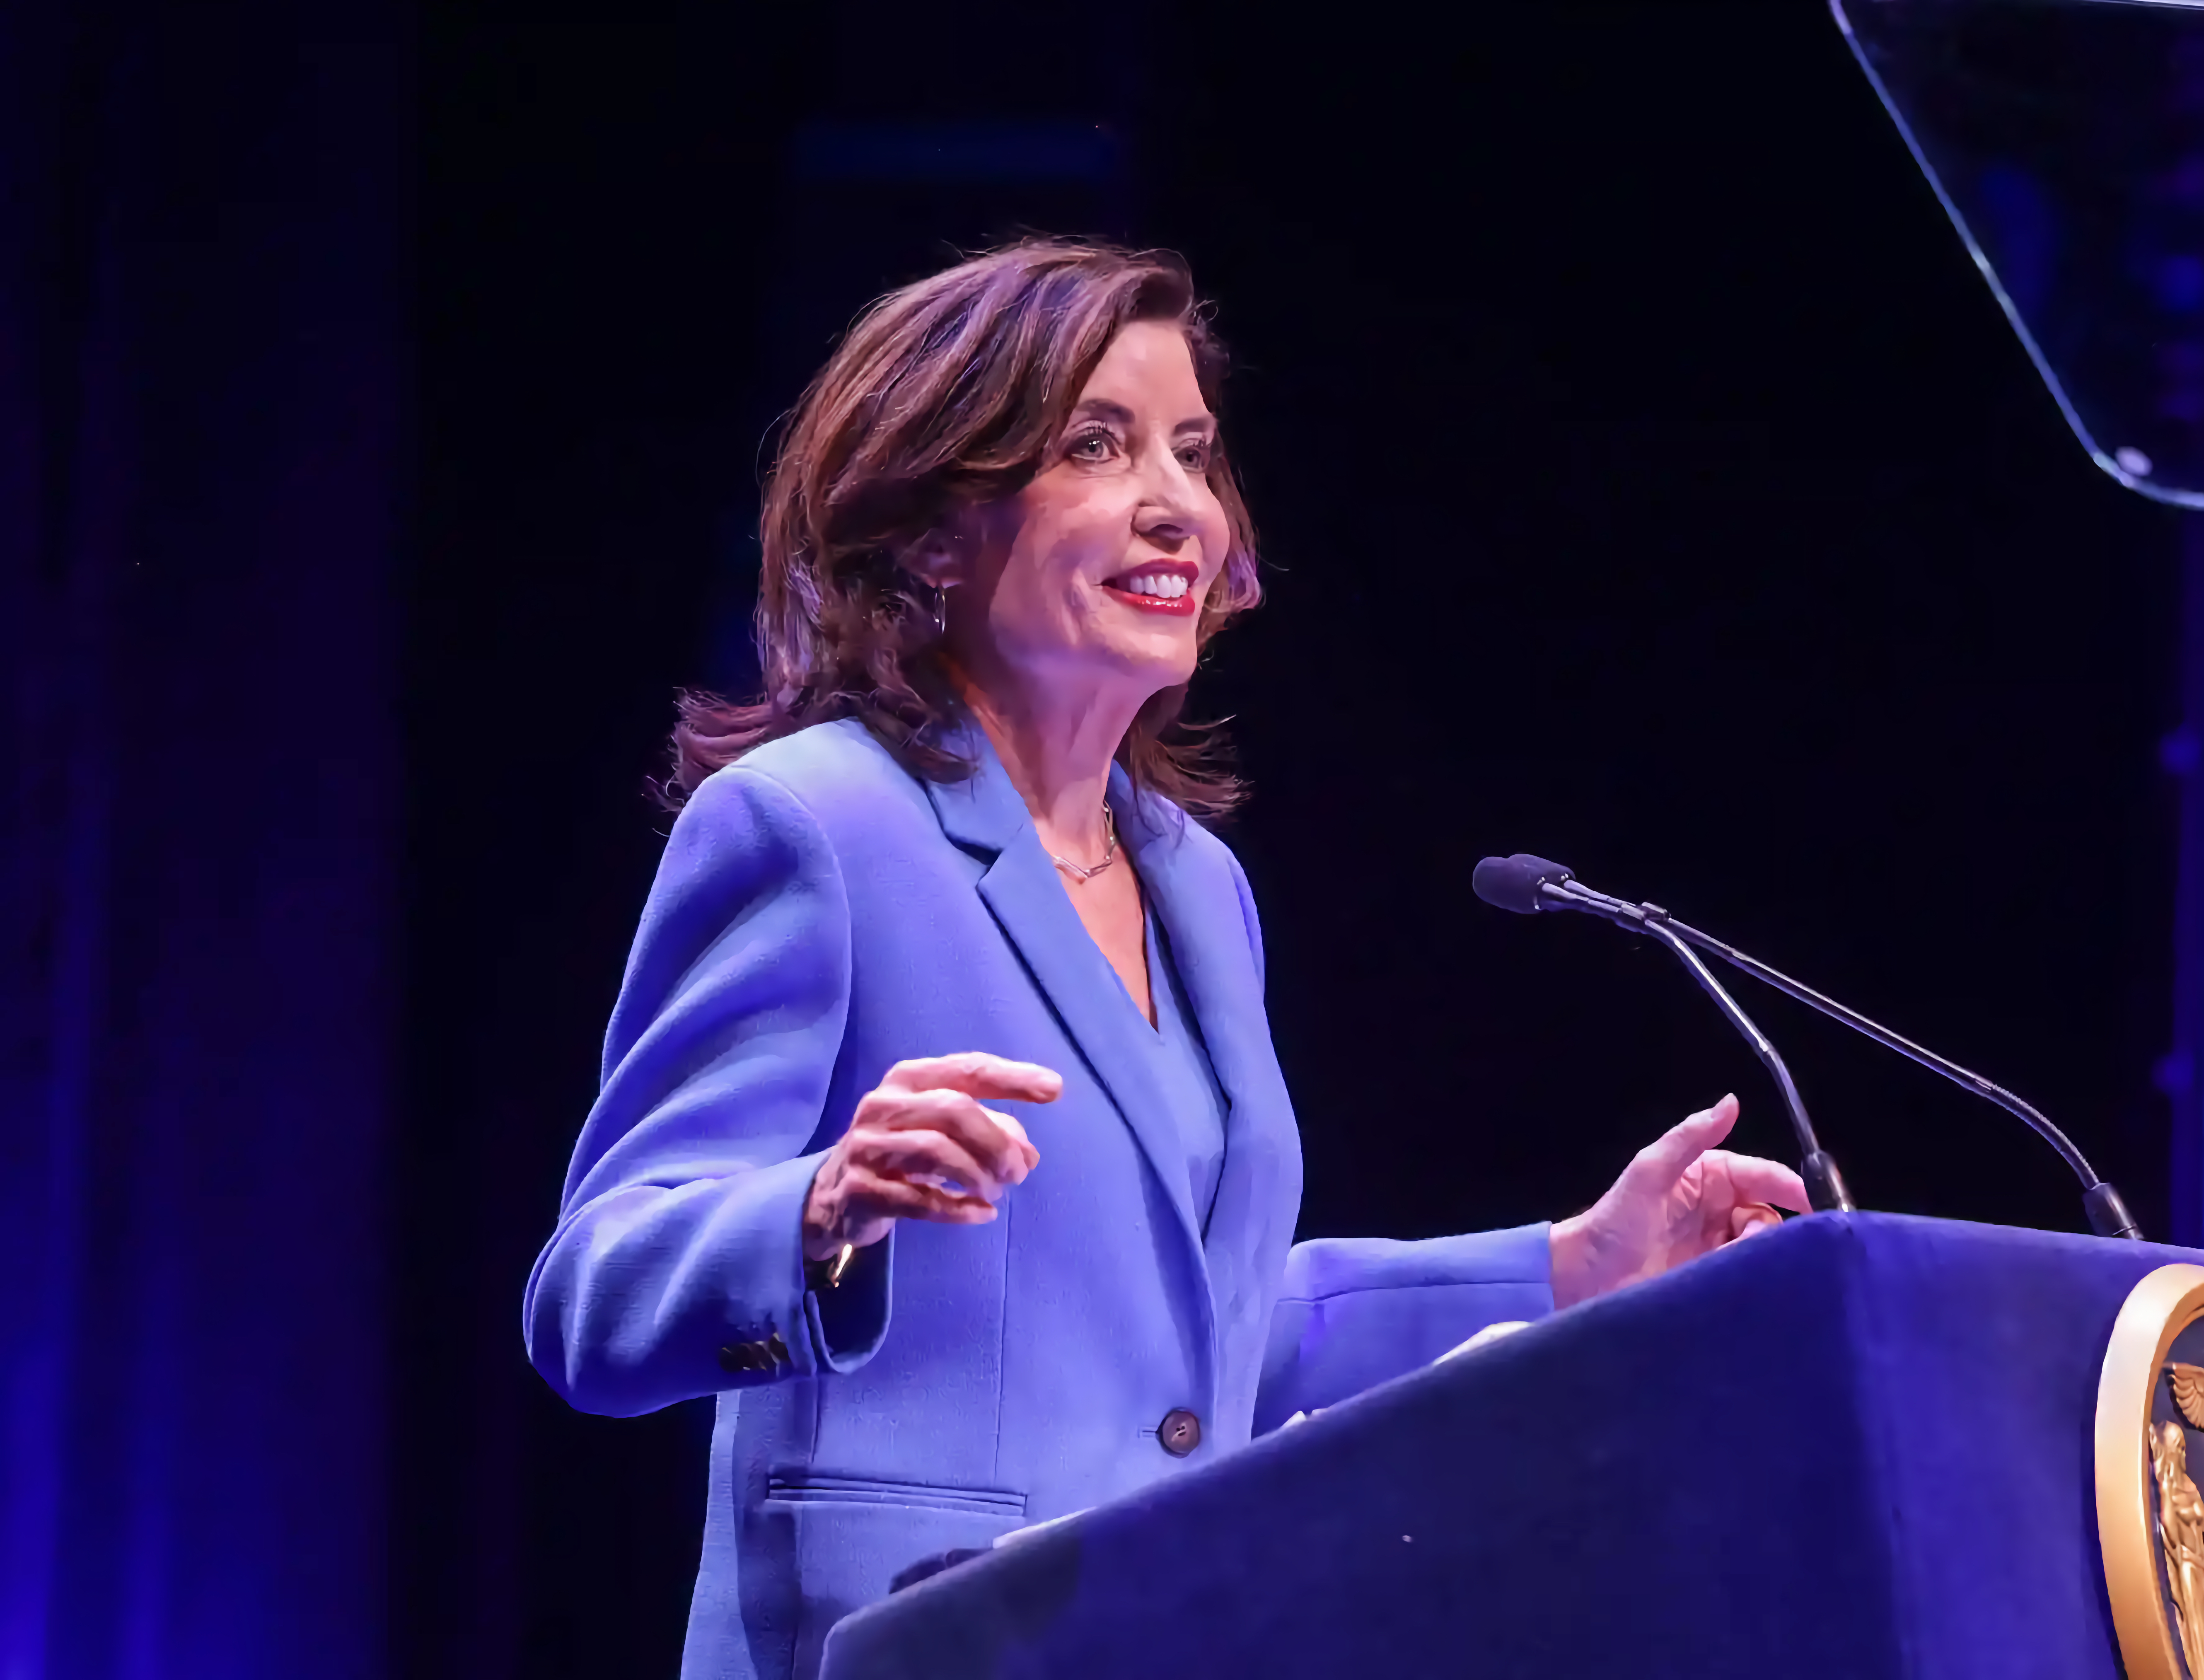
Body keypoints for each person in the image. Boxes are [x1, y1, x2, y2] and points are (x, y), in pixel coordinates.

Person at [522, 239, 1808, 1678]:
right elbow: (595, 1296)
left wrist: (1570, 1267)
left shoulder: (1199, 886)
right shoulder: (814, 824)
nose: (1177, 507)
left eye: (1192, 452)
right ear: (935, 533)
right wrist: (814, 1208)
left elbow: (1208, 1347)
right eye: (1096, 445)